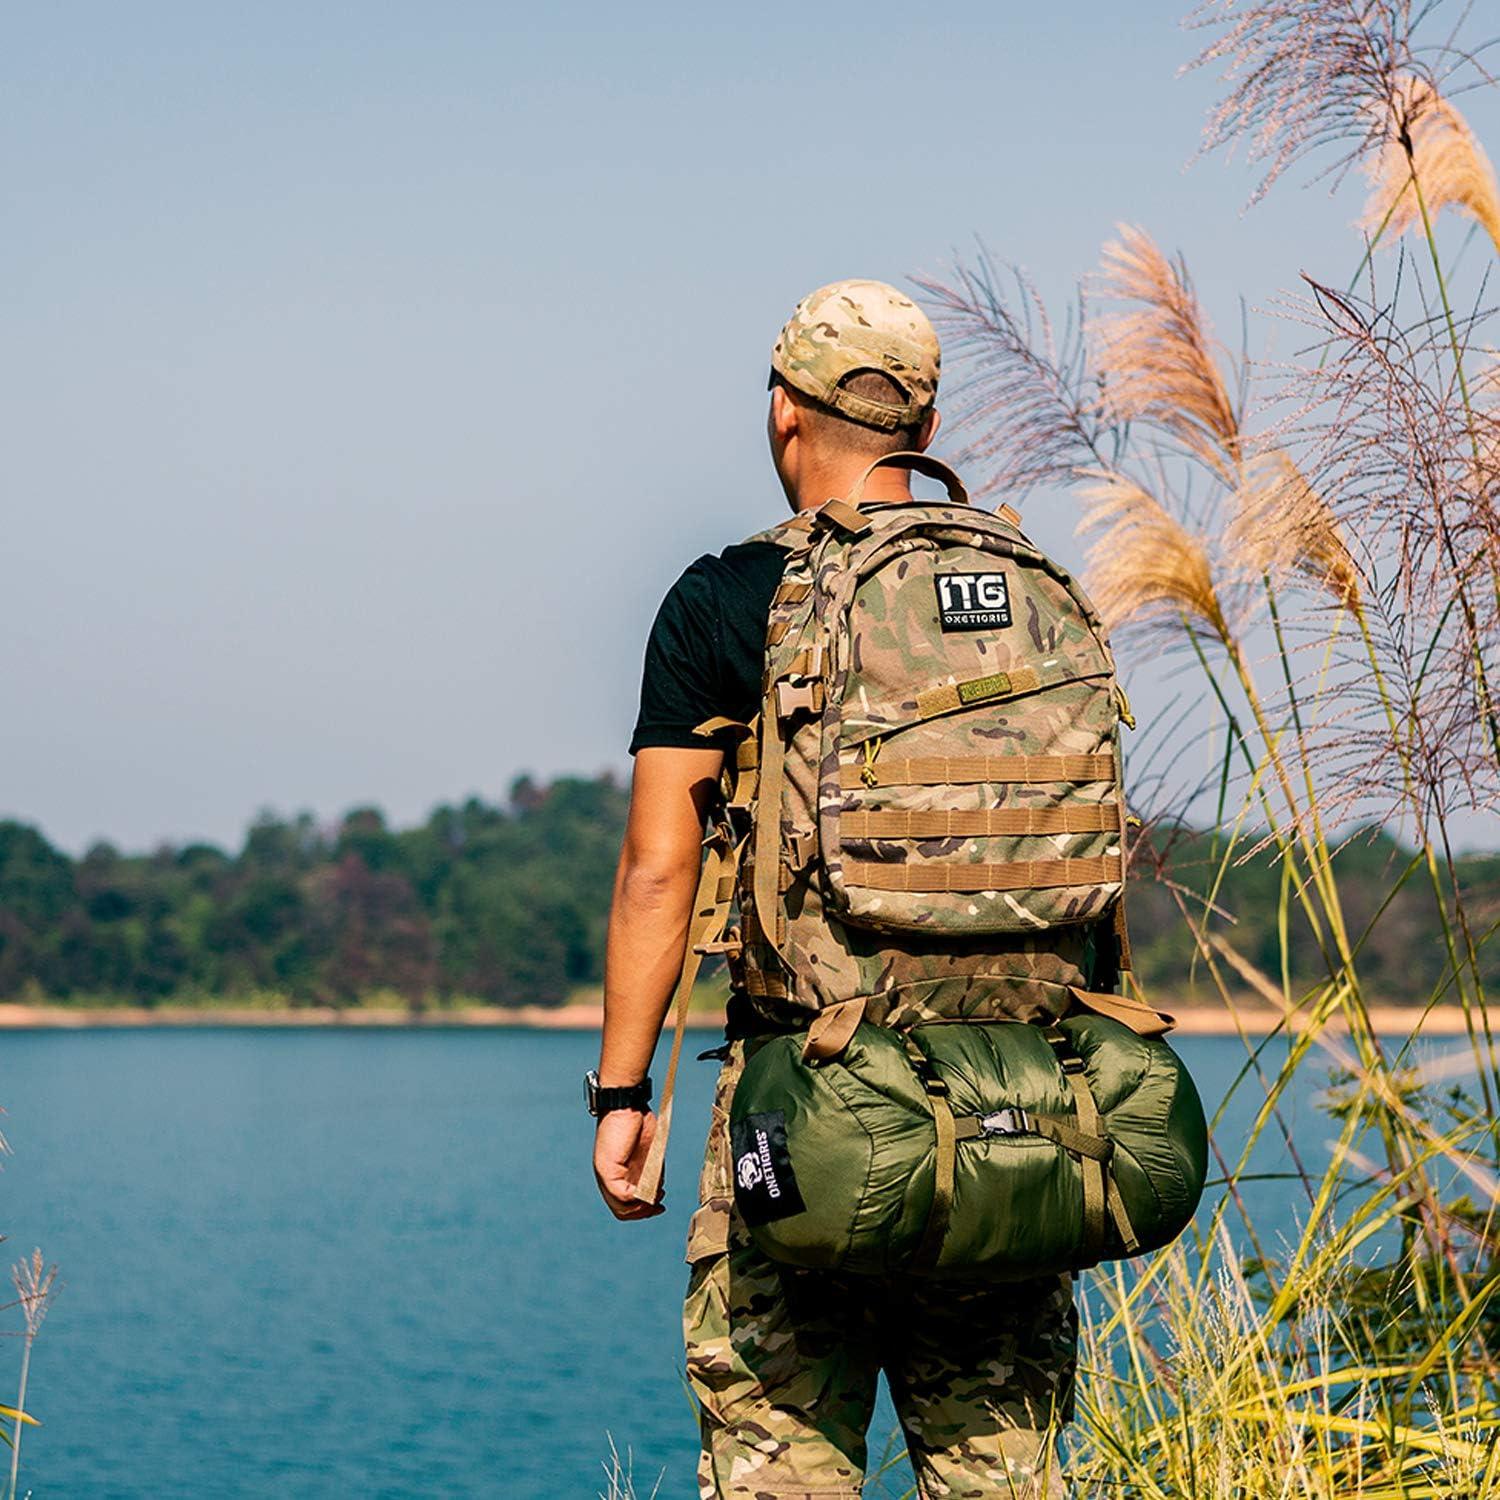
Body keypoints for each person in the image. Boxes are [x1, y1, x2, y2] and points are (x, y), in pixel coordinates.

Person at [589, 281, 1076, 1499]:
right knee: (1000, 1476)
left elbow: (661, 867)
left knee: (782, 1466)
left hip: (803, 1108)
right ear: (924, 418)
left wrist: (622, 1091)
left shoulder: (723, 599)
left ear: (783, 414)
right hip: (1013, 1108)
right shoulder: (1029, 584)